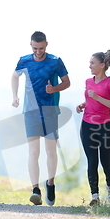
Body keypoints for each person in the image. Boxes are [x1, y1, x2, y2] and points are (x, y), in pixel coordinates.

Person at [11, 31, 70, 206]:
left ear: (47, 45)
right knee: (33, 152)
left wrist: (55, 89)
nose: (38, 51)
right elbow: (15, 76)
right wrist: (14, 96)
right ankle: (35, 189)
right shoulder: (24, 60)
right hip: (30, 111)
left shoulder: (55, 61)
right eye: (35, 48)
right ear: (31, 45)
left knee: (50, 151)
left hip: (50, 110)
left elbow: (67, 82)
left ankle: (50, 184)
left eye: (41, 48)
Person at [76, 50, 110, 206]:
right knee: (92, 161)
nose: (90, 66)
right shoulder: (88, 81)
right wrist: (84, 104)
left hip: (105, 126)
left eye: (92, 63)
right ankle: (95, 196)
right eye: (90, 63)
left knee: (106, 161)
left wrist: (97, 97)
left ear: (102, 65)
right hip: (88, 124)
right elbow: (90, 100)